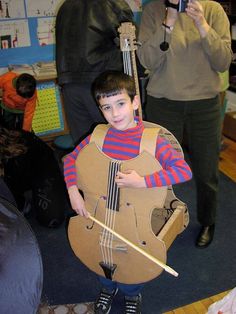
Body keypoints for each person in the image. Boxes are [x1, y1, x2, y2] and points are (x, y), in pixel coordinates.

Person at [63, 70, 192, 314]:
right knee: (98, 254)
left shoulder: (152, 141)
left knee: (136, 261)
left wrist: (143, 182)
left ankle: (132, 293)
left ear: (134, 101)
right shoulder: (99, 136)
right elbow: (70, 160)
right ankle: (107, 287)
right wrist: (72, 190)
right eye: (106, 107)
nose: (115, 114)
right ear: (100, 110)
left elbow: (183, 171)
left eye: (120, 104)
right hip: (101, 217)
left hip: (135, 223)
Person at [136, 0, 233, 248]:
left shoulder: (212, 10)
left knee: (206, 169)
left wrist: (201, 24)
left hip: (205, 104)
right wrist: (167, 24)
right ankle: (160, 221)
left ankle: (208, 221)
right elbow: (147, 60)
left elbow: (223, 62)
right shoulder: (153, 11)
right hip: (164, 103)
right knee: (159, 169)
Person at [55, 0, 134, 145]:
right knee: (118, 143)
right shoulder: (112, 4)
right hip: (104, 84)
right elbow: (129, 40)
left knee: (84, 145)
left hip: (70, 83)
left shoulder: (66, 6)